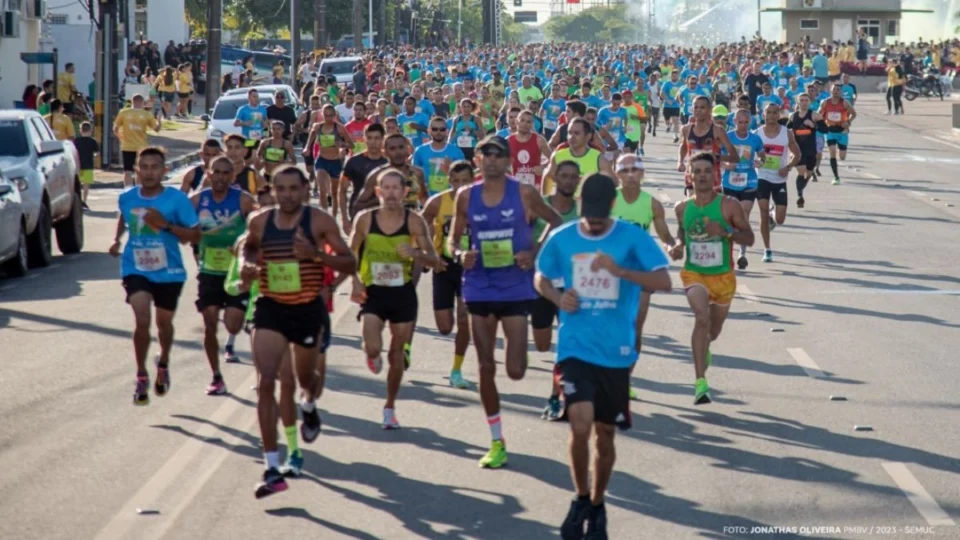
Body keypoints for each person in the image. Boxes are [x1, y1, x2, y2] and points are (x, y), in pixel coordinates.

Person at [534, 173, 672, 540]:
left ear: (611, 205)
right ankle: (580, 497)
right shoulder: (562, 238)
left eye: (599, 213)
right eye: (587, 212)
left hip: (616, 351)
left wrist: (622, 271)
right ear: (580, 204)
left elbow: (664, 281)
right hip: (575, 346)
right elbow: (541, 276)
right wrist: (556, 297)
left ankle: (597, 505)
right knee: (579, 424)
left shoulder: (631, 239)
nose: (592, 221)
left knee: (605, 433)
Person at [238, 165, 356, 498]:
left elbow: (350, 262)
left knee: (306, 381)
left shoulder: (319, 222)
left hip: (307, 310)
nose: (287, 194)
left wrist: (316, 256)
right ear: (272, 190)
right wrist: (248, 263)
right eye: (281, 188)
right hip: (271, 307)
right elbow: (249, 245)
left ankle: (308, 405)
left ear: (305, 189)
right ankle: (272, 467)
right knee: (266, 383)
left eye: (294, 188)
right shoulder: (260, 221)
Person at [447, 135, 563, 468]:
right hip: (479, 285)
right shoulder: (465, 197)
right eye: (486, 154)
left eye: (499, 154)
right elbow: (453, 239)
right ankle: (497, 441)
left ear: (508, 160)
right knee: (485, 366)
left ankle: (517, 358)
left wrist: (534, 252)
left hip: (515, 285)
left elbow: (555, 221)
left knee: (515, 370)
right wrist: (460, 254)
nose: (493, 159)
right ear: (478, 160)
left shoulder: (524, 192)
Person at [108, 147, 201, 405]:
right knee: (142, 318)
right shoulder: (127, 197)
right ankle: (140, 375)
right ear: (136, 169)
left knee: (163, 324)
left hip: (169, 271)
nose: (149, 172)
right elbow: (123, 215)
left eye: (154, 167)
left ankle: (163, 361)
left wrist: (166, 225)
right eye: (144, 167)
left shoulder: (176, 200)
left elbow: (195, 236)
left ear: (164, 170)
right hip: (135, 267)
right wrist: (117, 239)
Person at [349, 167, 441, 428]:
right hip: (373, 291)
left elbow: (435, 261)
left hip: (403, 293)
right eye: (385, 188)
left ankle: (389, 406)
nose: (390, 194)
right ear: (378, 192)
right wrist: (354, 280)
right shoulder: (366, 219)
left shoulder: (414, 221)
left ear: (404, 192)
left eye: (395, 188)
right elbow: (350, 252)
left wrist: (415, 253)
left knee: (397, 354)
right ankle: (372, 354)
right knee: (374, 347)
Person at [670, 152, 754, 405]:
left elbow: (749, 238)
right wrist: (675, 247)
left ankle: (704, 347)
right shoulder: (682, 208)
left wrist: (726, 232)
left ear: (715, 174)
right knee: (701, 317)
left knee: (713, 331)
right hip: (694, 273)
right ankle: (700, 383)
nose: (702, 175)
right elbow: (681, 236)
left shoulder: (729, 205)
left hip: (723, 277)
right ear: (690, 175)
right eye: (697, 171)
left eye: (707, 171)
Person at [610, 154, 677, 401]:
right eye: (624, 170)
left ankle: (624, 381)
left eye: (634, 170)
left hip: (640, 275)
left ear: (642, 173)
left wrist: (673, 247)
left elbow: (665, 237)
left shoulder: (652, 205)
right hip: (610, 274)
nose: (630, 174)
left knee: (634, 331)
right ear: (617, 174)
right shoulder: (609, 201)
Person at [191, 156, 257, 394]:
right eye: (216, 172)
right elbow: (178, 223)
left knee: (233, 324)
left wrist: (247, 250)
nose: (220, 177)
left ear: (232, 176)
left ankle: (238, 319)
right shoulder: (199, 200)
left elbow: (260, 228)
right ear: (208, 173)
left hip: (236, 273)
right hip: (208, 271)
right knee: (209, 324)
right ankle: (216, 376)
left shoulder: (244, 200)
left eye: (225, 173)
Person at [532, 160, 582, 421]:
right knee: (542, 344)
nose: (568, 181)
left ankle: (556, 396)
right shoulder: (540, 205)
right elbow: (527, 242)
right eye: (563, 176)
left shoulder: (582, 212)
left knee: (565, 344)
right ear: (555, 178)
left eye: (573, 177)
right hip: (543, 284)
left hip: (572, 287)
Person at [420, 160, 476, 389]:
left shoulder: (481, 202)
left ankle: (456, 369)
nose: (461, 186)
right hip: (443, 266)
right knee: (444, 326)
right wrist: (430, 254)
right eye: (456, 181)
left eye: (466, 181)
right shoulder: (437, 202)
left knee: (464, 320)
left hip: (470, 268)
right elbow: (419, 226)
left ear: (473, 181)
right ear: (449, 181)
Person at [755, 103, 801, 263]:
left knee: (780, 219)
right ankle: (767, 249)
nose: (772, 116)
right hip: (762, 177)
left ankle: (773, 216)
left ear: (779, 115)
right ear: (763, 114)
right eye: (769, 112)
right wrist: (755, 162)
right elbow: (749, 155)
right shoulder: (757, 134)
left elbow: (797, 155)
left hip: (779, 179)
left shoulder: (786, 133)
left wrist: (788, 167)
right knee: (762, 212)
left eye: (775, 113)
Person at [720, 110, 765, 270]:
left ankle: (742, 254)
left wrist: (759, 161)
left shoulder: (755, 138)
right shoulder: (727, 137)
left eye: (746, 122)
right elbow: (716, 156)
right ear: (735, 122)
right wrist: (726, 165)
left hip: (749, 180)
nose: (743, 125)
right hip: (730, 182)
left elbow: (762, 155)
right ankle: (728, 254)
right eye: (740, 122)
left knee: (744, 214)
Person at [113, 94, 161, 187]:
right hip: (142, 148)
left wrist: (120, 137)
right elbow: (157, 129)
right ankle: (138, 191)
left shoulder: (123, 112)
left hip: (127, 146)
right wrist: (159, 120)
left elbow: (115, 128)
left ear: (132, 101)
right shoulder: (147, 114)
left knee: (127, 171)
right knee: (140, 170)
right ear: (142, 103)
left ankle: (128, 190)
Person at [413, 116, 466, 196]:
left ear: (447, 132)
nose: (438, 132)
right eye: (434, 129)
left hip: (450, 198)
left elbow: (464, 177)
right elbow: (414, 175)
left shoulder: (456, 151)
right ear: (429, 131)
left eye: (442, 129)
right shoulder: (420, 151)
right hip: (427, 198)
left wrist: (452, 168)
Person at [818, 83, 856, 185]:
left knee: (842, 157)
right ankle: (836, 177)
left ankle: (842, 150)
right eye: (834, 89)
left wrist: (848, 122)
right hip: (830, 130)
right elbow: (819, 115)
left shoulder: (845, 103)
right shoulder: (825, 102)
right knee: (832, 151)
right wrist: (821, 123)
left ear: (841, 92)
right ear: (831, 91)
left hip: (842, 132)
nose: (836, 91)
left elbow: (854, 113)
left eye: (838, 90)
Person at [74, 122, 100, 210]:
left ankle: (78, 201)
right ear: (90, 130)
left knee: (77, 184)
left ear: (80, 131)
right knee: (86, 184)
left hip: (78, 165)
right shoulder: (93, 141)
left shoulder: (76, 141)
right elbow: (97, 153)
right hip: (89, 165)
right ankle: (84, 201)